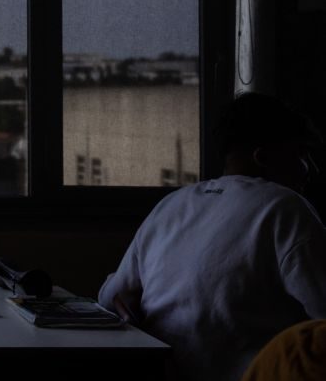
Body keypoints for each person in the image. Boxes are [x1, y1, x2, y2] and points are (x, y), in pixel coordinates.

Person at [98, 91, 326, 381]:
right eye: (301, 154)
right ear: (263, 157)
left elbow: (107, 298)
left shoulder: (173, 204)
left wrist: (130, 299)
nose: (312, 169)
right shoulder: (286, 208)